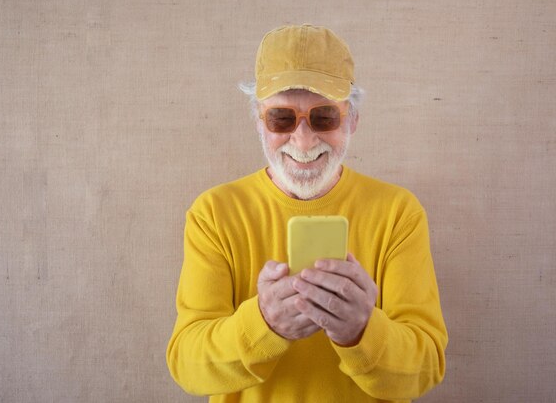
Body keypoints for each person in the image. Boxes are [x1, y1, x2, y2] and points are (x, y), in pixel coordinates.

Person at [166, 24, 448, 403]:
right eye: (281, 118)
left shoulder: (398, 212)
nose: (303, 140)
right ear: (258, 121)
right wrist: (263, 325)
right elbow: (188, 365)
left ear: (352, 120)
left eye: (324, 117)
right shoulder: (214, 213)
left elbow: (426, 367)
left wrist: (363, 332)